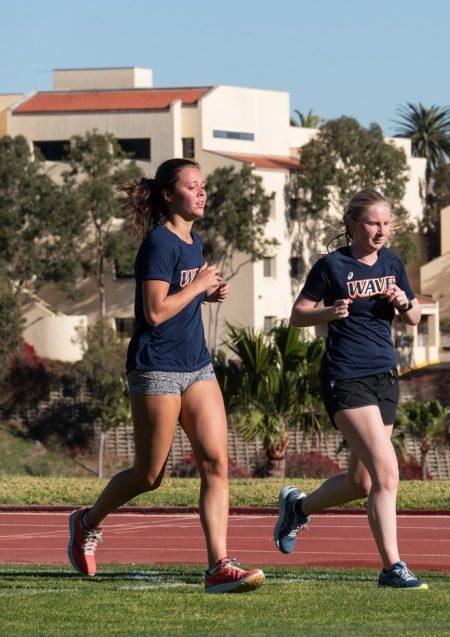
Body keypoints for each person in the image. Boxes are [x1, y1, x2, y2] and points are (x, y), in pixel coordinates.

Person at [67, 158, 264, 594]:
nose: (202, 193)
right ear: (168, 195)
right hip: (156, 367)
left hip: (196, 365)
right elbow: (154, 312)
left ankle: (219, 566)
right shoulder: (159, 243)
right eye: (192, 187)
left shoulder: (193, 239)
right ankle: (86, 522)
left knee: (216, 463)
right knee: (149, 476)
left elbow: (180, 297)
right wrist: (197, 287)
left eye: (203, 186)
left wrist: (206, 293)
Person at [273, 188, 428, 589]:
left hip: (385, 378)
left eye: (386, 223)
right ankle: (392, 567)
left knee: (361, 482)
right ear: (352, 225)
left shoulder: (393, 263)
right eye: (373, 223)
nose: (381, 230)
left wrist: (402, 302)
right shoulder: (332, 265)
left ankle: (297, 508)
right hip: (345, 377)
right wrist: (329, 310)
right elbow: (297, 315)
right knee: (387, 473)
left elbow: (414, 318)